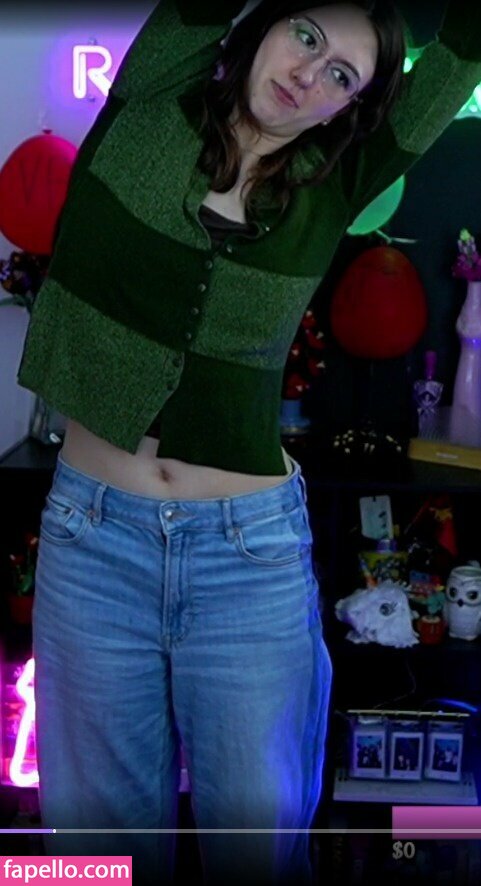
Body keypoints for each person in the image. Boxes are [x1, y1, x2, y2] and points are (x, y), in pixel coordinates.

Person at [16, 1, 481, 884]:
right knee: (96, 857)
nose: (310, 74)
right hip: (92, 543)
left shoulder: (337, 182)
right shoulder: (153, 96)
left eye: (341, 75)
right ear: (263, 23)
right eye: (306, 35)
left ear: (350, 105)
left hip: (248, 558)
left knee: (256, 851)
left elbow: (463, 45)